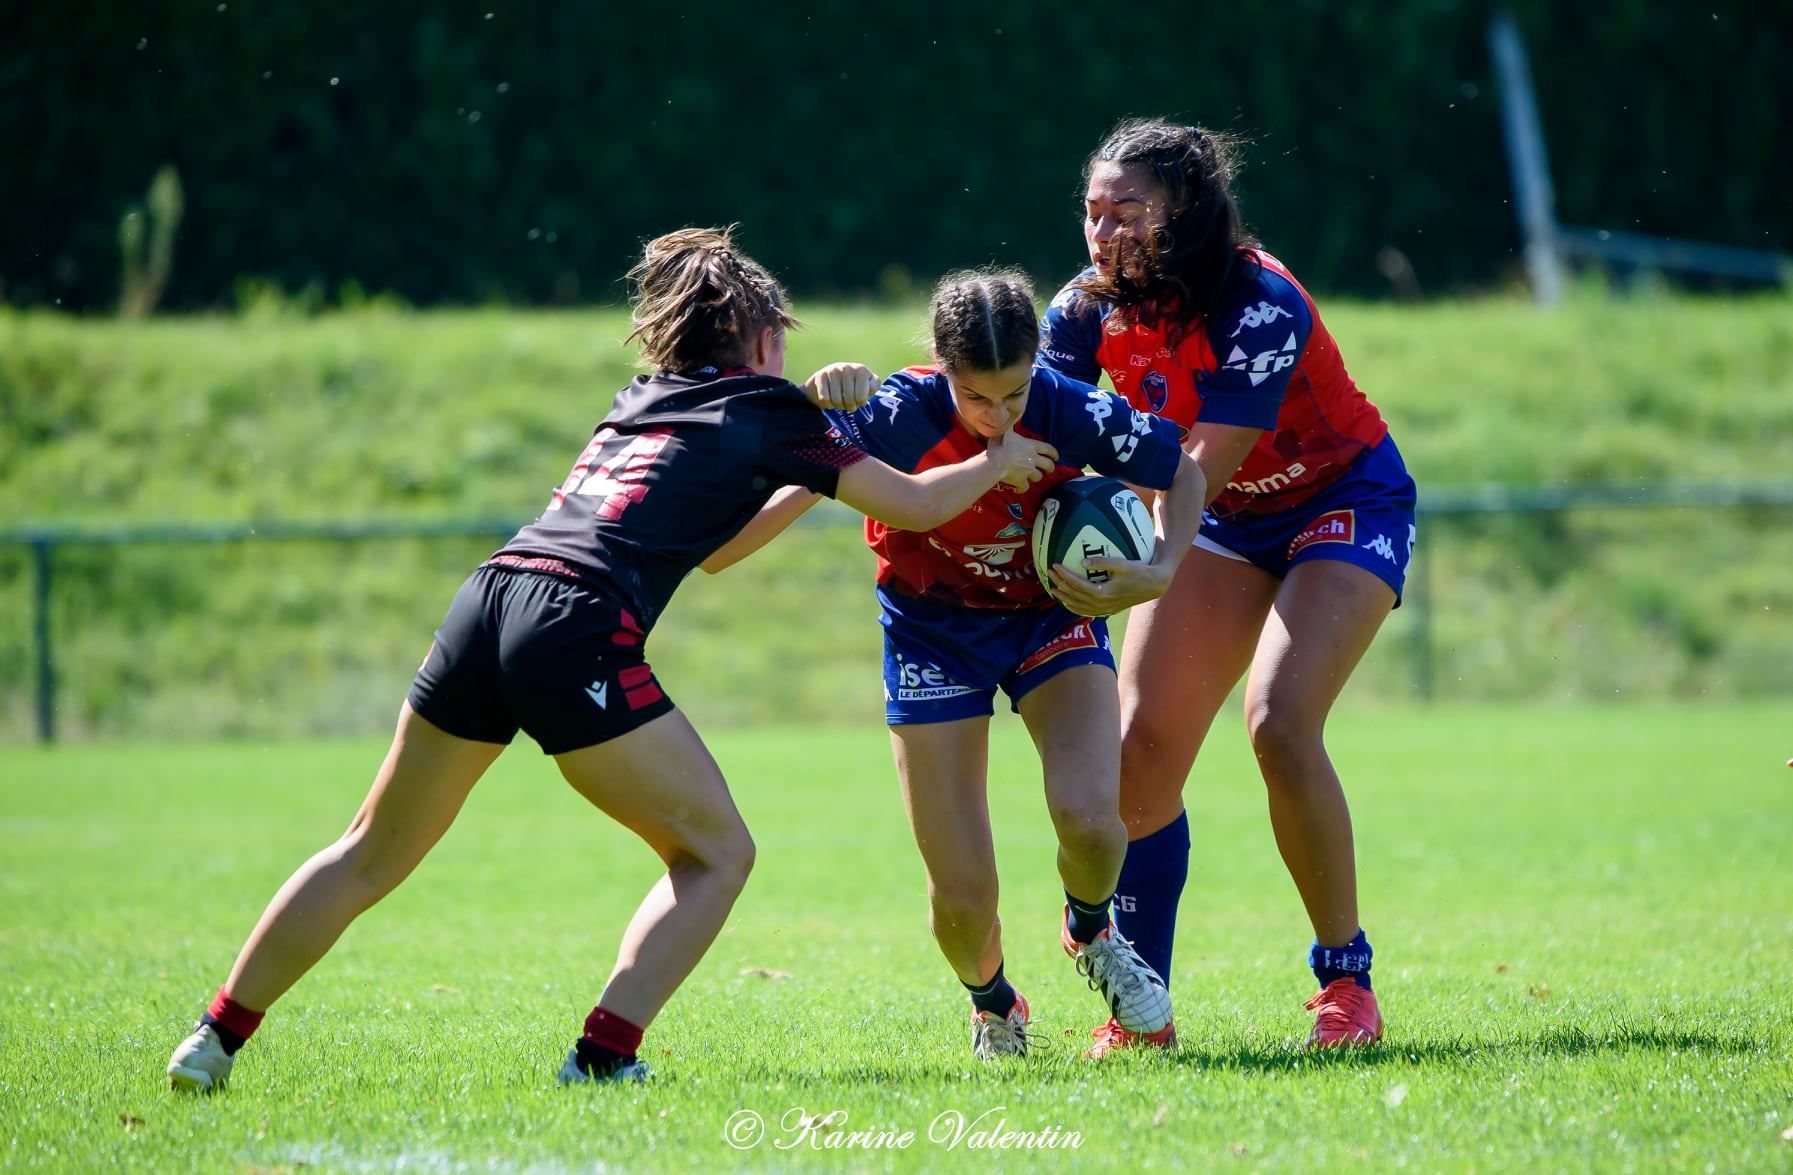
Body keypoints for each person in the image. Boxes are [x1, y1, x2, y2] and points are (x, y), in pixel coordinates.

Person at [164, 227, 1059, 1092]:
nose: (786, 347)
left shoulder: (645, 393)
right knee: (717, 852)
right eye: (779, 331)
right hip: (575, 620)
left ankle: (215, 1035)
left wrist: (824, 445)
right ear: (757, 333)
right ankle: (601, 1057)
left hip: (491, 594)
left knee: (370, 849)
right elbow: (906, 504)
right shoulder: (766, 408)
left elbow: (718, 545)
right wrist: (999, 455)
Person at [703, 270, 1208, 1059]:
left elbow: (1180, 471)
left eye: (1013, 396)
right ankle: (994, 1001)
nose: (998, 417)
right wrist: (812, 408)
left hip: (1048, 619)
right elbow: (747, 526)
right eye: (977, 399)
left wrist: (1163, 565)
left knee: (1092, 822)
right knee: (962, 895)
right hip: (931, 631)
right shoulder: (896, 415)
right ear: (941, 367)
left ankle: (1090, 931)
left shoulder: (1070, 408)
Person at [1037, 119, 1418, 1054]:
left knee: (1278, 722)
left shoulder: (1259, 300)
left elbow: (1206, 459)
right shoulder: (1082, 312)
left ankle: (1345, 981)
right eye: (1091, 211)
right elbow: (1037, 435)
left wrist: (1158, 562)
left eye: (1126, 209)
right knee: (1140, 754)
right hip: (1216, 517)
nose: (1102, 230)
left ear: (1186, 209)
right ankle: (1141, 1009)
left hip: (1341, 498)